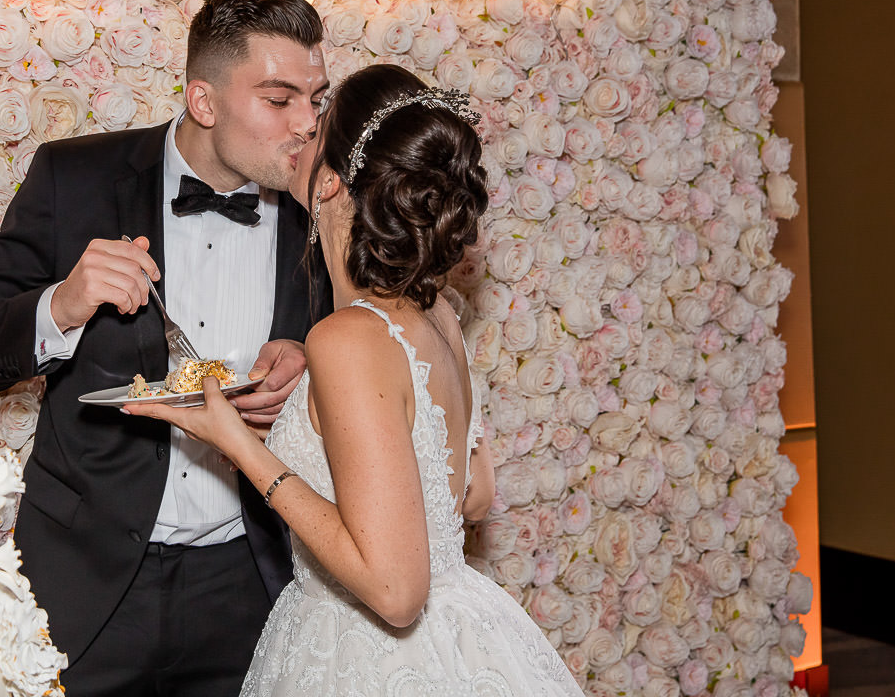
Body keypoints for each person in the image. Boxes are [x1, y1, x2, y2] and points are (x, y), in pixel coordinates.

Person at [125, 63, 585, 696]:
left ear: (332, 181)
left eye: (314, 129)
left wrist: (240, 446)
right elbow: (472, 495)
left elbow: (395, 593)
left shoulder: (346, 337)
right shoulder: (437, 313)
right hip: (465, 634)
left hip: (370, 657)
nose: (297, 134)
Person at [0, 0, 333, 697]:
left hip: (252, 587)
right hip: (87, 587)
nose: (306, 124)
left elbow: (366, 346)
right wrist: (64, 303)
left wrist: (309, 358)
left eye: (316, 98)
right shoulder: (75, 177)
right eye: (279, 100)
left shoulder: (323, 207)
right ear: (204, 102)